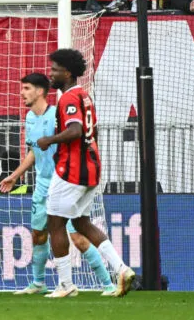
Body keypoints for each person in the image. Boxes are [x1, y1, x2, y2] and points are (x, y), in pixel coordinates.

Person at [0, 72, 115, 296]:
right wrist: (15, 175)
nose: (21, 93)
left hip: (63, 182)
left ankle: (107, 284)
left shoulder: (57, 115)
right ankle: (38, 283)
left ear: (40, 91)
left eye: (26, 88)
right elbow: (34, 150)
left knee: (78, 237)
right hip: (42, 185)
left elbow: (75, 138)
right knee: (38, 235)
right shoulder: (30, 118)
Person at [38, 48, 136, 298]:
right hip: (91, 167)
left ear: (67, 73)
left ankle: (65, 284)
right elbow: (94, 131)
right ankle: (121, 269)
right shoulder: (84, 96)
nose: (51, 74)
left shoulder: (69, 98)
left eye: (55, 70)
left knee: (55, 222)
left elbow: (75, 130)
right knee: (81, 222)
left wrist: (49, 139)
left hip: (72, 170)